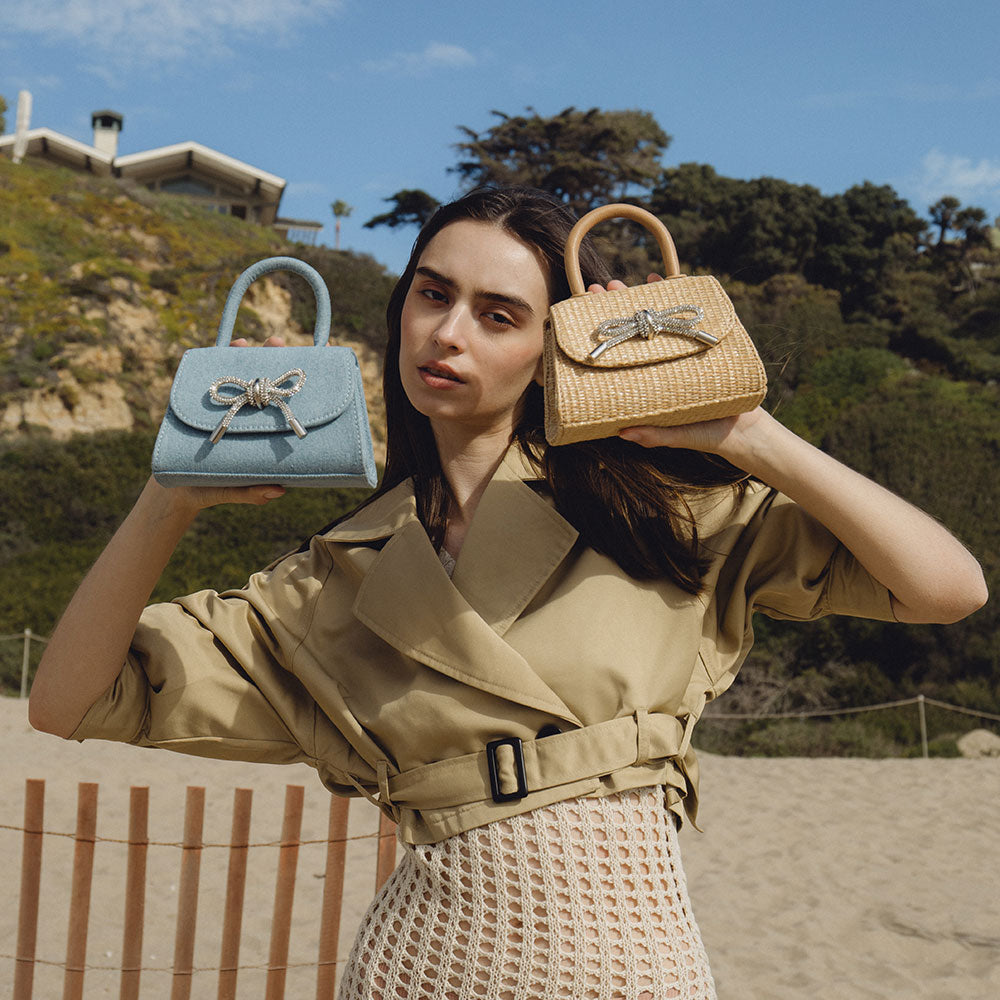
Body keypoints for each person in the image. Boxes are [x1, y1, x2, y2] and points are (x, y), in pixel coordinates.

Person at [30, 186, 987, 1000]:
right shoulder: (330, 577)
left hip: (635, 962)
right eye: (431, 295)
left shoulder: (663, 516)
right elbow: (68, 699)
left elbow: (947, 588)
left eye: (498, 314)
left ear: (551, 346)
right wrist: (169, 495)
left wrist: (747, 436)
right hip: (425, 960)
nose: (447, 333)